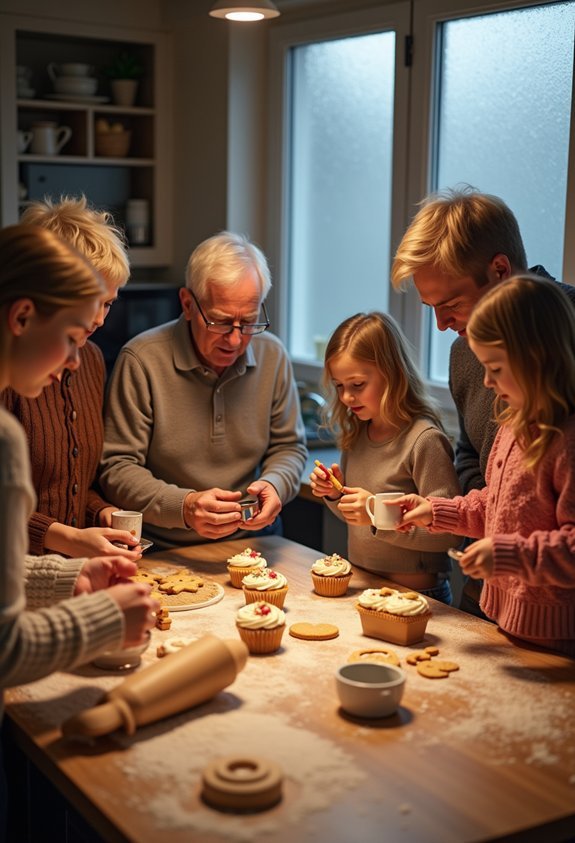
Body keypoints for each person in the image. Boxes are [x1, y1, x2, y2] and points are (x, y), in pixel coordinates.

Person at [391, 185, 575, 612]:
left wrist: (513, 542)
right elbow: (472, 453)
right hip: (496, 591)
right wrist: (496, 518)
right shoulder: (465, 351)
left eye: (451, 303)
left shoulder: (565, 334)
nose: (440, 326)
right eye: (429, 307)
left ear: (499, 270)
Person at [0, 223, 158, 708]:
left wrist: (69, 578)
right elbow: (6, 650)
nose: (77, 358)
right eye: (70, 335)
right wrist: (106, 619)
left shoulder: (89, 363)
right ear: (22, 316)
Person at [396, 276, 575, 657]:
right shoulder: (514, 424)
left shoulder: (566, 442)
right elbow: (499, 505)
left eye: (495, 368)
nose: (488, 383)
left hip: (559, 641)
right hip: (505, 624)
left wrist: (506, 554)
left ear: (536, 359)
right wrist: (439, 511)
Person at [99, 231, 307, 548]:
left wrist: (275, 485)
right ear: (187, 304)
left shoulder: (273, 355)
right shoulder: (142, 360)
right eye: (221, 322)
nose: (235, 340)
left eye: (249, 322)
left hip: (254, 541)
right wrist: (184, 507)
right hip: (164, 546)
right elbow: (117, 469)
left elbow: (289, 448)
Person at [0, 195, 142, 562]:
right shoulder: (15, 373)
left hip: (61, 573)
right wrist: (67, 539)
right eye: (95, 301)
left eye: (109, 303)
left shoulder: (91, 360)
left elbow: (75, 484)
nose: (99, 319)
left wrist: (99, 513)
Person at [309, 312, 461, 604]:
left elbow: (450, 535)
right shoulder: (357, 435)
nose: (346, 397)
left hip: (418, 597)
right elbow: (360, 520)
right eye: (339, 385)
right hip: (366, 589)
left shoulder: (424, 440)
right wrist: (334, 495)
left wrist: (376, 514)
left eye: (357, 384)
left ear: (392, 374)